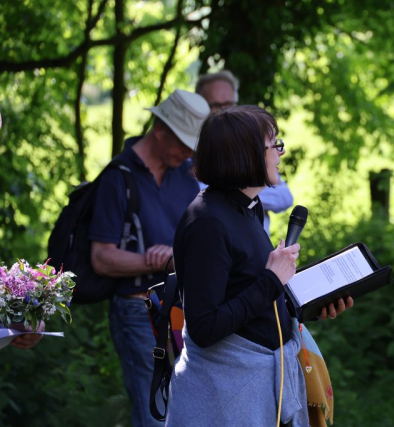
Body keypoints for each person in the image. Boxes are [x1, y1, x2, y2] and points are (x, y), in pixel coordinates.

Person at [165, 105, 353, 426]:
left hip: (258, 394)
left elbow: (246, 295)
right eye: (274, 145)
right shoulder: (207, 223)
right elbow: (205, 327)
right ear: (246, 154)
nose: (280, 153)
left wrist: (308, 306)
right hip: (224, 398)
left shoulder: (249, 208)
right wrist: (271, 279)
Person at [89, 89, 209, 427]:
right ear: (160, 129)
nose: (189, 152)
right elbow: (101, 258)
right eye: (184, 143)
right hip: (139, 313)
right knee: (156, 417)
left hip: (184, 311)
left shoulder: (186, 173)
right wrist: (152, 261)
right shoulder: (118, 177)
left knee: (188, 414)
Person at [195, 70, 294, 235]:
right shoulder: (212, 223)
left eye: (229, 104)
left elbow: (285, 197)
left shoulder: (251, 207)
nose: (223, 111)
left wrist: (245, 196)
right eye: (216, 105)